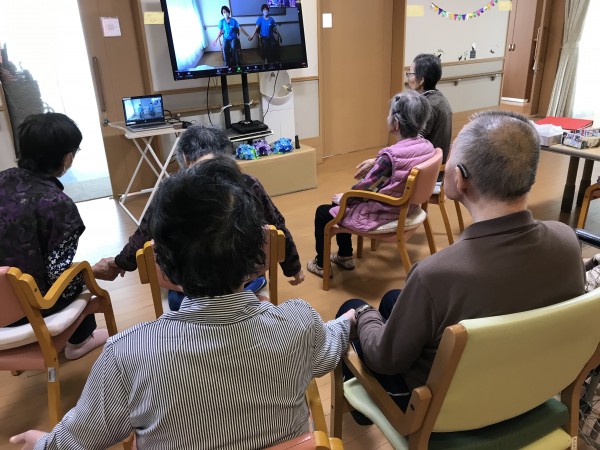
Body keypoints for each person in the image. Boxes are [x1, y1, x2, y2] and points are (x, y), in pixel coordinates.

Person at [11, 157, 354, 450]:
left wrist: (42, 442)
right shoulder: (299, 323)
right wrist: (349, 320)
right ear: (258, 258)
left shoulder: (125, 356)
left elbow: (79, 439)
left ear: (161, 264)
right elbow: (328, 348)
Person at [337, 110, 585, 418]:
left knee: (355, 308)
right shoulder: (567, 242)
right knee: (392, 300)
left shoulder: (435, 275)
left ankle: (366, 409)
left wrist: (364, 315)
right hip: (529, 394)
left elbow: (385, 359)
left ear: (460, 179)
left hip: (444, 415)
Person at [92, 124, 305, 309]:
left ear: (185, 158)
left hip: (187, 289)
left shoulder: (171, 190)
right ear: (224, 154)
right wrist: (293, 268)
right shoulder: (249, 184)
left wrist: (119, 264)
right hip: (244, 281)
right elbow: (277, 227)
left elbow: (143, 236)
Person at [0, 112, 108, 360]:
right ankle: (79, 342)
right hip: (28, 310)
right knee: (77, 274)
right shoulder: (57, 204)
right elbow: (58, 275)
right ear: (67, 157)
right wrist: (91, 271)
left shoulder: (3, 178)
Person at [307, 90, 435, 278]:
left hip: (386, 212)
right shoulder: (427, 146)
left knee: (326, 211)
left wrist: (345, 198)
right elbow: (401, 166)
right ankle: (344, 255)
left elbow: (367, 188)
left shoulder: (390, 157)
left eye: (389, 114)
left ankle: (322, 264)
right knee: (342, 203)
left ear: (396, 123)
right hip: (409, 207)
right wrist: (377, 162)